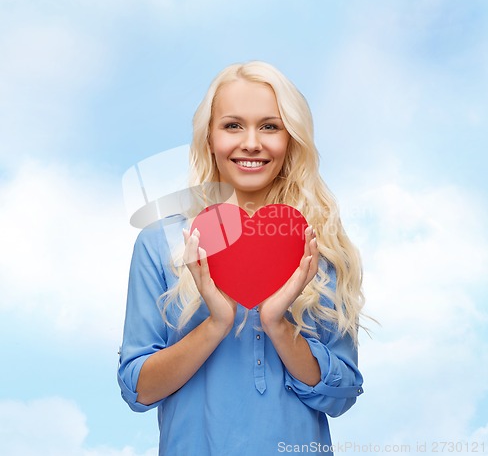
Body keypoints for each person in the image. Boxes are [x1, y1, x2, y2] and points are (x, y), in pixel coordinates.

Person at [117, 61, 365, 455]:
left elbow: (341, 396)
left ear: (291, 139)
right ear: (209, 139)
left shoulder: (320, 246)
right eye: (233, 125)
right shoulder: (160, 243)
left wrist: (276, 324)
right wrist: (218, 322)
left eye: (270, 126)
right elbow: (138, 391)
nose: (251, 142)